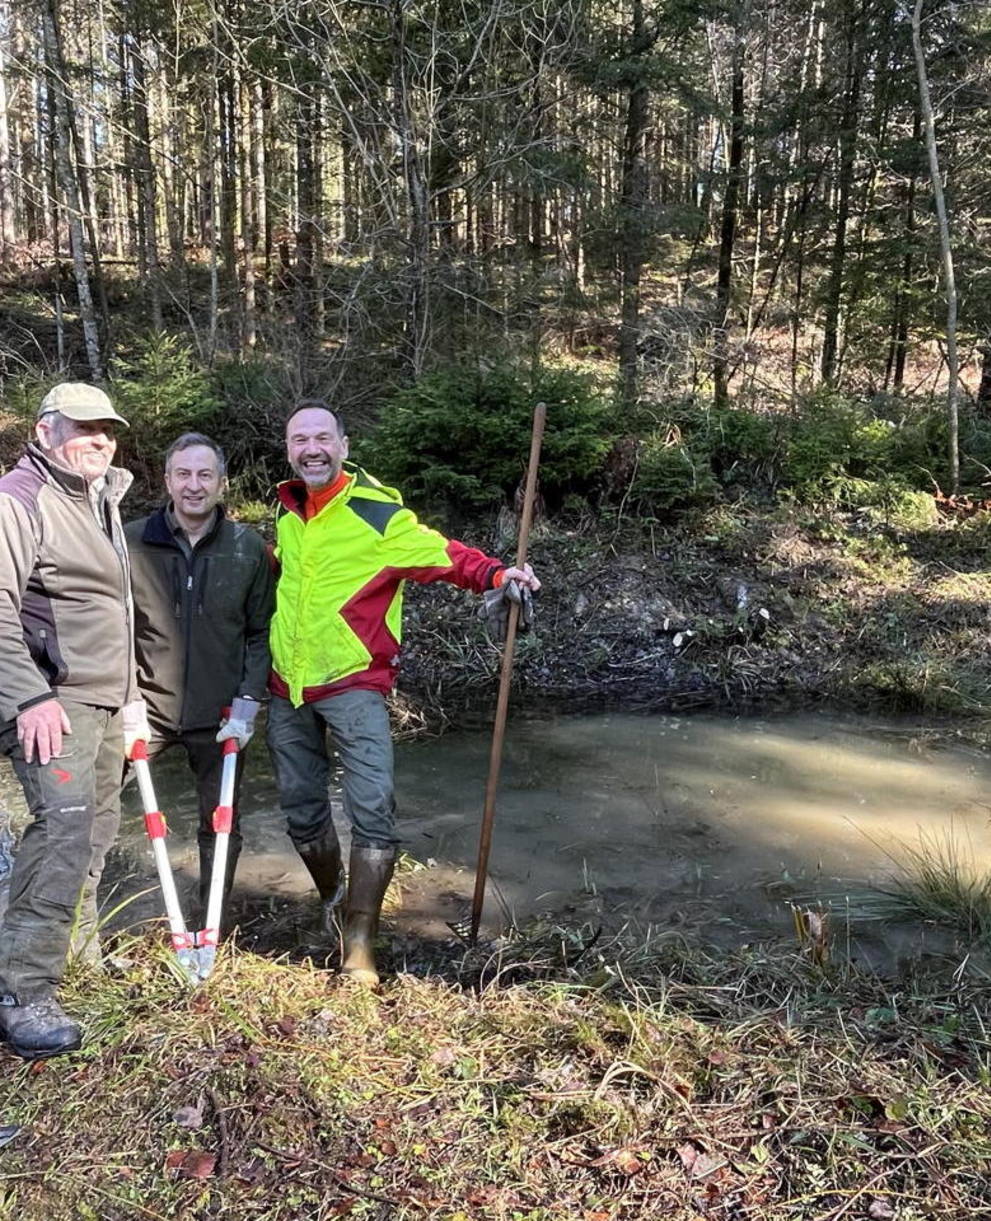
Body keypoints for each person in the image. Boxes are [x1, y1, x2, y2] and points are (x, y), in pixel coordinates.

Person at [267, 399, 541, 987]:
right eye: (299, 440)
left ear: (343, 444)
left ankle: (359, 946)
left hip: (355, 683)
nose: (311, 449)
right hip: (286, 688)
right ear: (289, 449)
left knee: (372, 808)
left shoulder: (376, 514)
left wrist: (498, 575)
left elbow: (442, 555)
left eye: (322, 438)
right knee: (300, 808)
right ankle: (334, 901)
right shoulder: (288, 514)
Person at [0, 383, 151, 1060]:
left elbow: (109, 608)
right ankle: (21, 993)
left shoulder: (98, 496)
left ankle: (74, 957)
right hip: (52, 702)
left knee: (95, 830)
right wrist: (29, 696)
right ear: (45, 429)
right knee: (60, 831)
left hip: (104, 701)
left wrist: (131, 694)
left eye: (108, 430)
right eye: (84, 428)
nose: (99, 439)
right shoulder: (21, 497)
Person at [125, 433, 274, 924]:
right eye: (183, 474)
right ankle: (84, 924)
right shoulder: (130, 542)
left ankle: (214, 918)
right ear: (167, 480)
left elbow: (260, 632)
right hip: (147, 711)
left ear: (221, 482)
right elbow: (114, 630)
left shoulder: (247, 548)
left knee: (222, 822)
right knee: (96, 811)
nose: (194, 485)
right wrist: (125, 701)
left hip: (222, 714)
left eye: (204, 474)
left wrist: (248, 705)